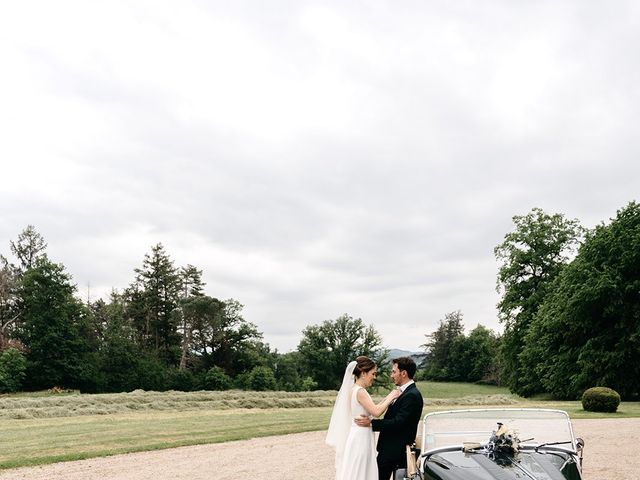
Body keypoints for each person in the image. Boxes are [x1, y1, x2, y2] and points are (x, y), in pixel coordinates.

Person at [326, 356, 401, 480]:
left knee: (355, 468)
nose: (374, 377)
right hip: (361, 436)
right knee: (361, 470)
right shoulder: (360, 391)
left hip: (356, 434)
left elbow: (373, 408)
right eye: (373, 373)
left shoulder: (352, 389)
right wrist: (392, 395)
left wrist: (388, 398)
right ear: (363, 373)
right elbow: (376, 412)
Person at [355, 357, 424, 480]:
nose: (391, 375)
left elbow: (399, 422)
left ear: (403, 373)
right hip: (389, 450)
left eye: (393, 372)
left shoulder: (412, 395)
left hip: (396, 451)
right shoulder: (403, 392)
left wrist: (371, 423)